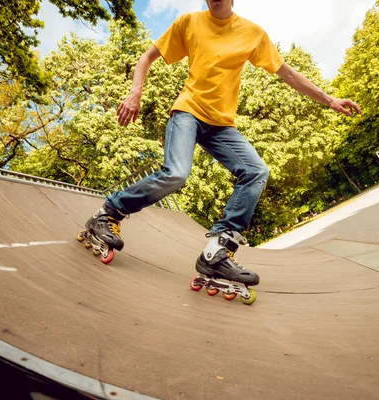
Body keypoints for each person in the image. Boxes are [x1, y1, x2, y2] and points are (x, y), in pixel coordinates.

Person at [82, 0, 361, 288]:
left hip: (221, 125)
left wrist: (329, 100)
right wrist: (134, 94)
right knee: (177, 173)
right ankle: (108, 213)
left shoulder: (252, 34)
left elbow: (287, 73)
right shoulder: (189, 23)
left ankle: (217, 251)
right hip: (188, 112)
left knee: (256, 171)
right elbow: (147, 58)